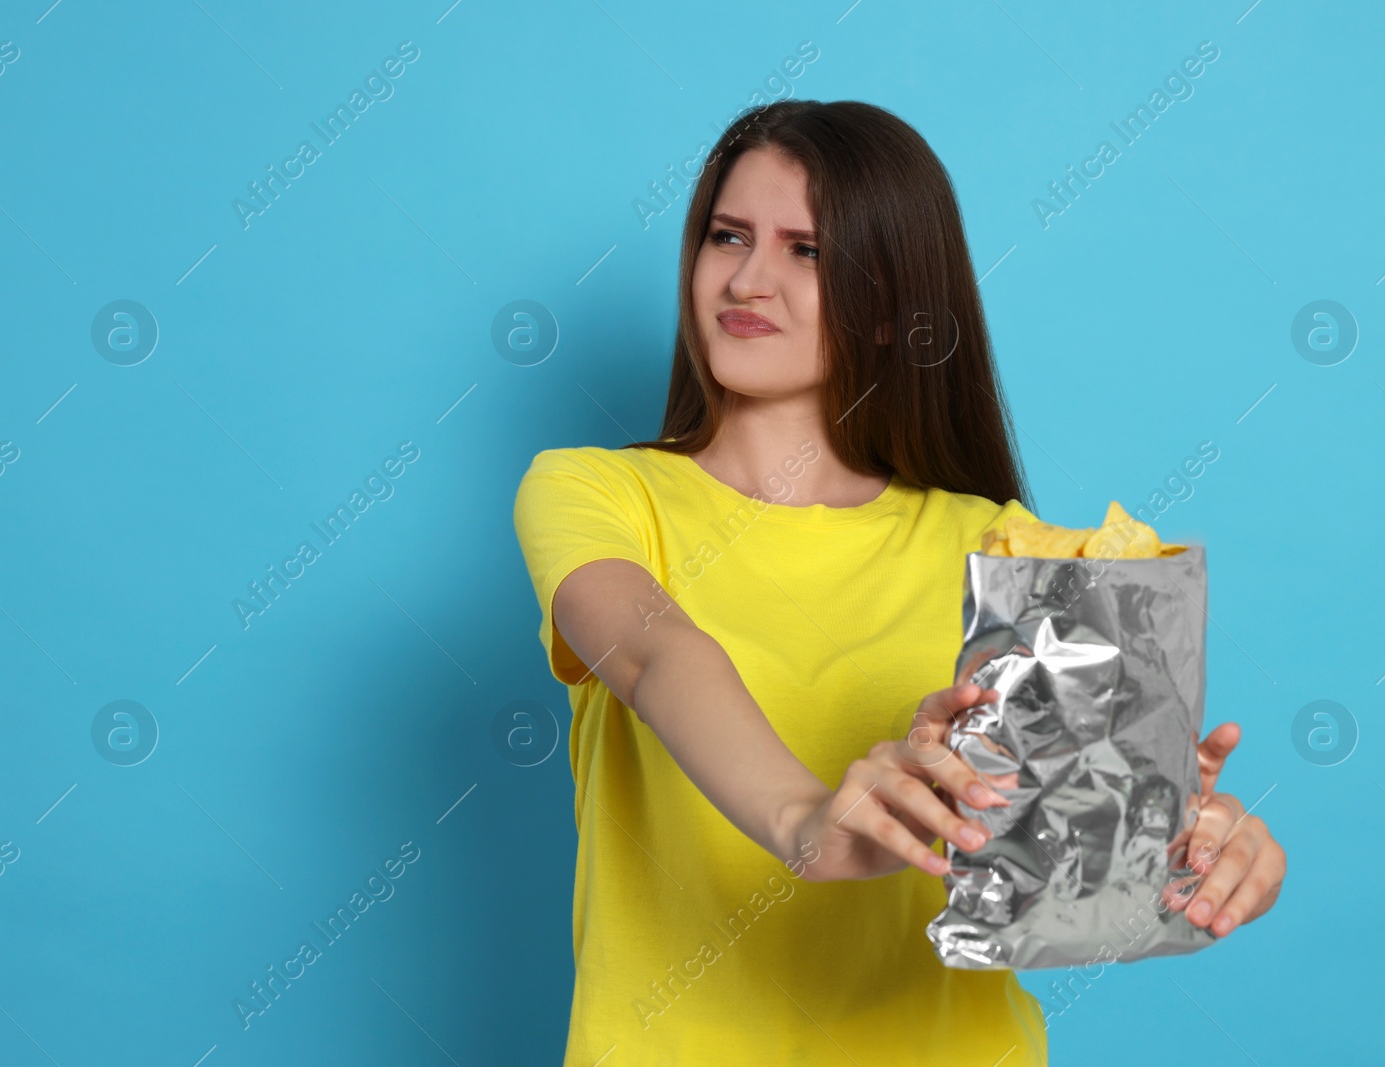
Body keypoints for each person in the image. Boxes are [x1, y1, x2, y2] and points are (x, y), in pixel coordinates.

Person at [512, 99, 1285, 1066]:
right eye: (727, 235)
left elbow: (1064, 873)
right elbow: (654, 648)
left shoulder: (1002, 548)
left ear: (891, 307)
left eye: (809, 252)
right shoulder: (595, 490)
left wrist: (1186, 842)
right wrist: (804, 820)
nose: (747, 279)